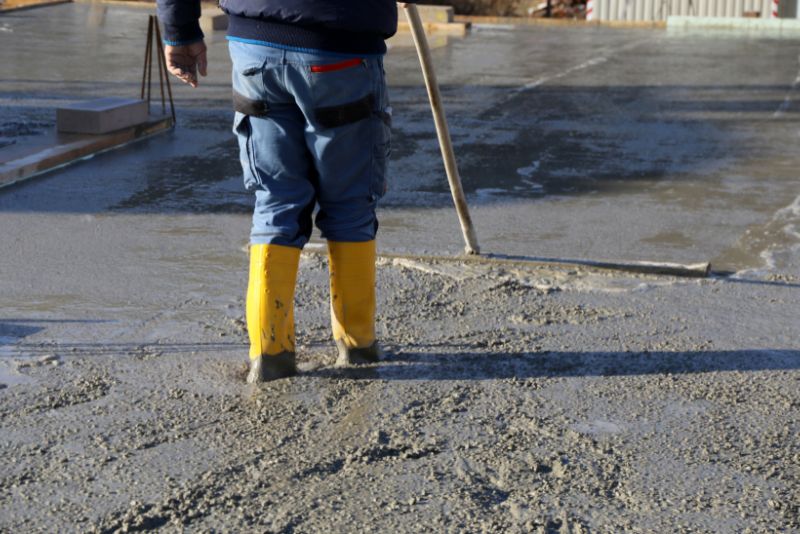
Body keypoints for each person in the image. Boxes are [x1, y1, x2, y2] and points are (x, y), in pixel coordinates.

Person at [156, 0, 401, 383]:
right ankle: (358, 346)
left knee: (276, 199)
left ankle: (270, 353)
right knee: (350, 203)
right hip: (340, 46)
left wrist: (179, 30)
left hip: (255, 48)